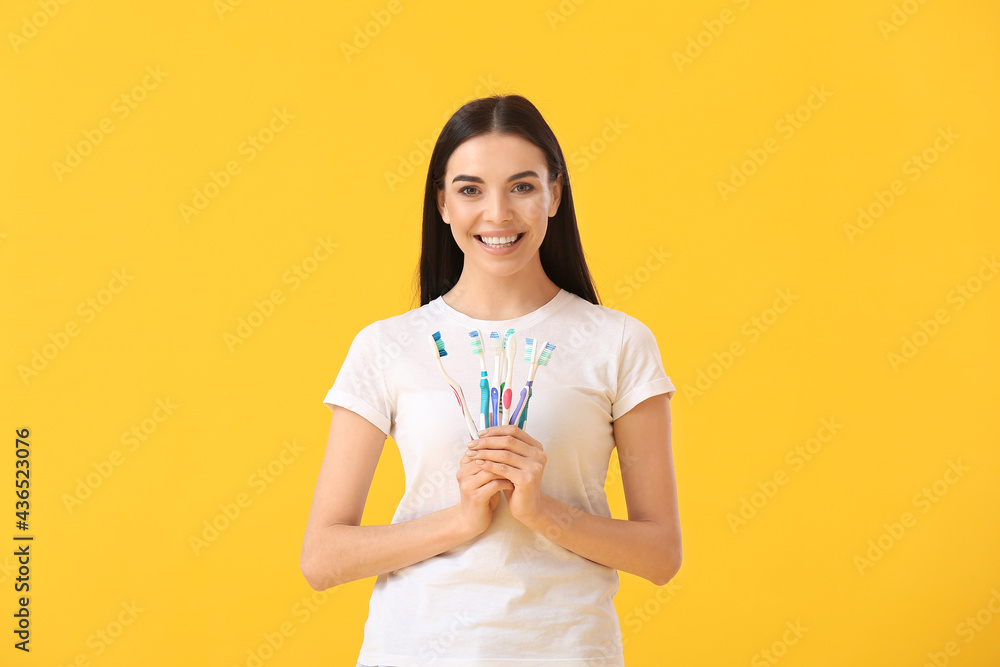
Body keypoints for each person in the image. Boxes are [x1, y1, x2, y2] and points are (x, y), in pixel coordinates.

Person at [300, 94, 682, 666]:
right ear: (443, 204)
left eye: (523, 187)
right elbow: (322, 558)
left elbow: (660, 554)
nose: (498, 214)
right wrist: (459, 520)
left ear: (555, 194)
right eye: (471, 189)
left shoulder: (619, 342)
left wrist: (543, 512)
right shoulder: (386, 346)